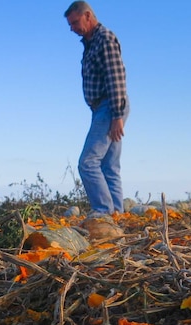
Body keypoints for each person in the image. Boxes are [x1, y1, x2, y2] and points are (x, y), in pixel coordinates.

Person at [65, 1, 129, 220]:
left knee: (88, 163)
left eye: (74, 22)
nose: (72, 28)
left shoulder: (104, 39)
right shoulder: (91, 43)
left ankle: (103, 212)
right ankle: (118, 215)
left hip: (109, 106)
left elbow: (116, 77)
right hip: (105, 108)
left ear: (88, 16)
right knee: (109, 165)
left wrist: (117, 115)